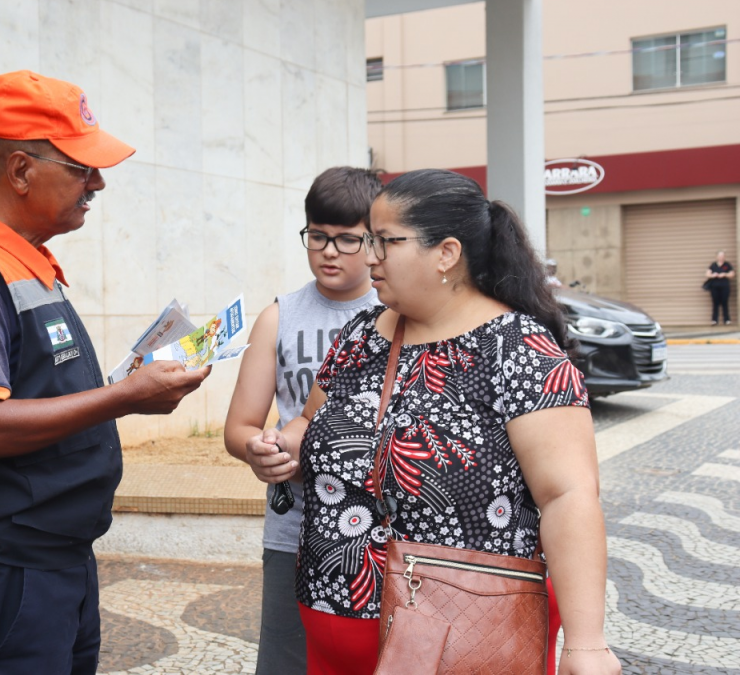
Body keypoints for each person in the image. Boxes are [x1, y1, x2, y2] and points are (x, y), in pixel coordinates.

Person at [0, 70, 210, 674]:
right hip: (3, 575)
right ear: (19, 170)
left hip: (51, 565)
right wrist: (122, 398)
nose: (97, 184)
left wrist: (125, 385)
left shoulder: (25, 262)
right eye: (80, 167)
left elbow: (34, 394)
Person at [247, 169, 622, 675]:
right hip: (332, 624)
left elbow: (569, 496)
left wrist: (586, 644)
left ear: (446, 253)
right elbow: (312, 422)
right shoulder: (362, 335)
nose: (369, 256)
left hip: (461, 635)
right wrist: (284, 448)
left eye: (385, 242)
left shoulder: (518, 349)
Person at [224, 166, 382, 675]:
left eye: (346, 239)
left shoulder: (398, 312)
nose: (329, 251)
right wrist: (258, 451)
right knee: (288, 661)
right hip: (293, 527)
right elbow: (240, 426)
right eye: (318, 236)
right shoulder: (280, 316)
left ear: (375, 239)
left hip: (380, 528)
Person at [706, 250, 735, 325]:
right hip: (714, 287)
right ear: (717, 257)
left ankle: (727, 320)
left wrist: (725, 274)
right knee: (715, 303)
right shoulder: (713, 265)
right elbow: (707, 274)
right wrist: (713, 275)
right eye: (719, 256)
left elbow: (732, 274)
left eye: (722, 256)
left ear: (724, 257)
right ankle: (714, 320)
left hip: (725, 287)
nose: (721, 257)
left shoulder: (727, 265)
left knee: (725, 302)